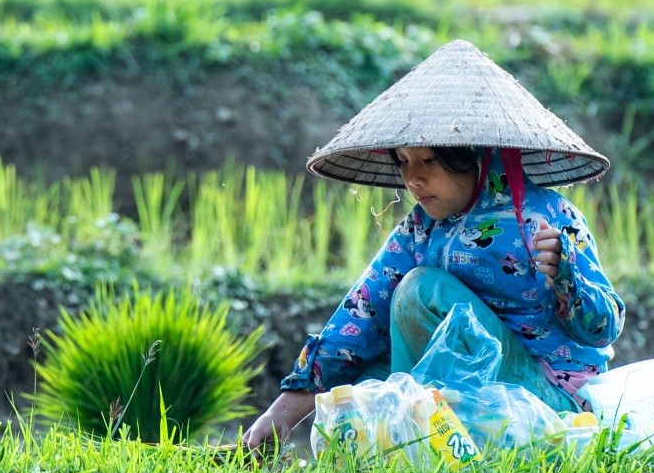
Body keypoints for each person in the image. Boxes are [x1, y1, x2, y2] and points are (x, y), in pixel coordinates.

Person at [243, 40, 624, 450]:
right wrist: (279, 414)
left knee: (420, 290)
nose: (413, 179)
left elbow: (605, 329)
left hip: (548, 404)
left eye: (428, 161)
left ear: (471, 155)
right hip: (478, 389)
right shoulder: (419, 230)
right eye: (404, 161)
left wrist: (565, 277)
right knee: (369, 376)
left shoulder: (549, 218)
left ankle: (410, 446)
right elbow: (361, 312)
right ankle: (408, 447)